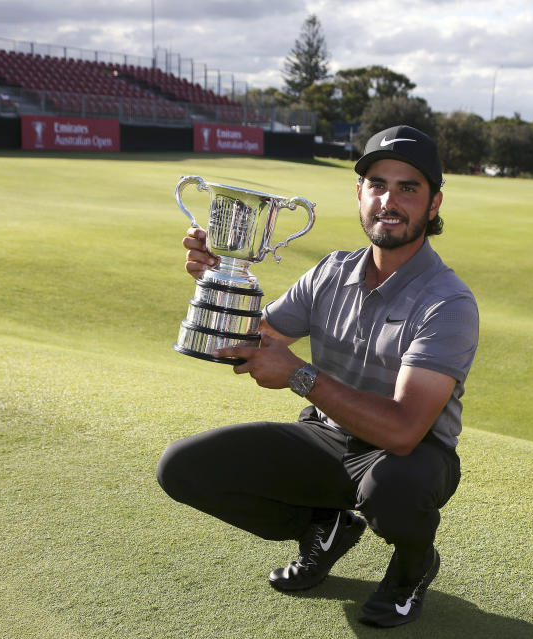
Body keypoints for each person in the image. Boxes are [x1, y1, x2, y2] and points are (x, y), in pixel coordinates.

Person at [156, 125, 479, 628]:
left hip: (411, 456)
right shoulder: (331, 272)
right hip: (326, 437)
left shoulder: (448, 302)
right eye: (377, 184)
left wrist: (300, 376)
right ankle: (324, 524)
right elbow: (256, 342)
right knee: (181, 468)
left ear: (434, 204)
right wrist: (221, 282)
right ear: (359, 194)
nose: (388, 200)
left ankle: (414, 566)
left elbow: (402, 430)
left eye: (408, 188)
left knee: (393, 487)